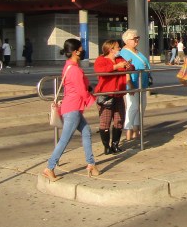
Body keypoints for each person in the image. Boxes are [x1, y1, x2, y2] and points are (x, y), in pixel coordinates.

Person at [42, 38, 99, 180]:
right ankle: (49, 167)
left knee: (86, 132)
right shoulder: (74, 70)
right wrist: (93, 99)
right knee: (65, 139)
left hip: (72, 106)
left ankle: (91, 164)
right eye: (80, 49)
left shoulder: (68, 66)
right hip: (73, 108)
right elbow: (81, 91)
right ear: (75, 52)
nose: (82, 51)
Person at [94, 39, 130, 155]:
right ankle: (106, 146)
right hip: (106, 95)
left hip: (118, 94)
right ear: (111, 49)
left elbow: (131, 67)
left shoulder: (120, 59)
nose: (119, 49)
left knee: (119, 119)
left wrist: (128, 66)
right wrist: (115, 67)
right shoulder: (101, 60)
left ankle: (115, 144)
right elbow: (100, 71)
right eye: (117, 47)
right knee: (105, 121)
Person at [120, 28, 151, 145]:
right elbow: (126, 70)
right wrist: (130, 84)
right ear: (127, 40)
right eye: (134, 38)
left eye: (138, 38)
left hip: (142, 82)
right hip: (132, 83)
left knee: (141, 106)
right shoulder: (124, 53)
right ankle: (128, 131)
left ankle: (136, 129)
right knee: (132, 107)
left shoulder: (137, 51)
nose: (137, 40)